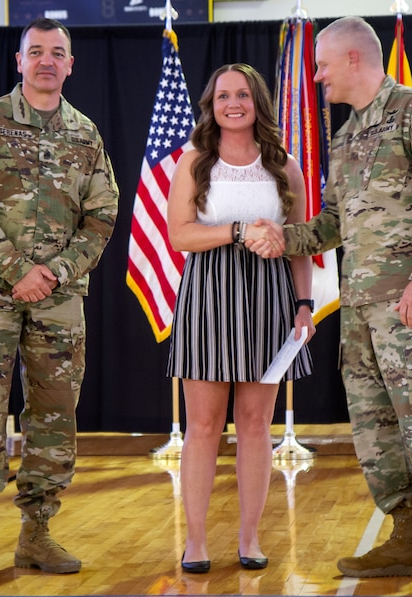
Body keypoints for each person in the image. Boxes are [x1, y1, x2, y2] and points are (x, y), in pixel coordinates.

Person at [251, 16, 412, 591]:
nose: (317, 77)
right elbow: (336, 222)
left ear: (353, 59)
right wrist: (286, 238)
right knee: (377, 429)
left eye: (323, 65)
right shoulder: (346, 133)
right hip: (363, 309)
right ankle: (408, 538)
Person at [0, 17, 118, 586]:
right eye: (36, 51)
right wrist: (19, 270)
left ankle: (36, 533)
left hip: (59, 298)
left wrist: (58, 271)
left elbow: (102, 217)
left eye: (57, 53)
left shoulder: (86, 135)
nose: (46, 61)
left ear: (71, 64)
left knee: (54, 415)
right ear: (19, 61)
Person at [166, 63, 316, 573]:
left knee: (256, 426)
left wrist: (303, 305)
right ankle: (196, 543)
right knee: (203, 426)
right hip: (208, 293)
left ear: (259, 104)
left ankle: (250, 539)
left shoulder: (284, 166)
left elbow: (299, 243)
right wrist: (233, 231)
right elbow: (180, 235)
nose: (234, 103)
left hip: (271, 296)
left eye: (244, 95)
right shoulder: (194, 162)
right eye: (224, 95)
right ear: (211, 104)